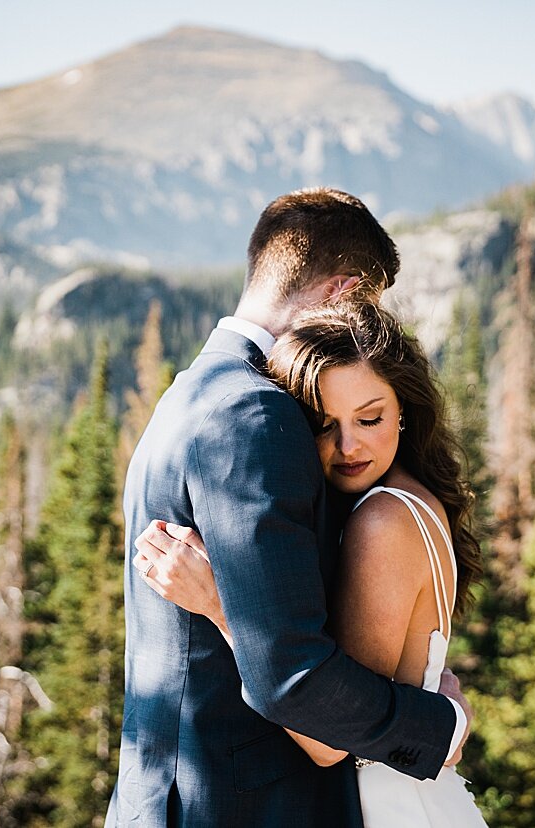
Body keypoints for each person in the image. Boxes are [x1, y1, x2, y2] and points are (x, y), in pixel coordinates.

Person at [110, 188, 470, 827]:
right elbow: (290, 675)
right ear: (344, 292)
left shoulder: (186, 395)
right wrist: (440, 722)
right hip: (239, 806)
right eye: (368, 304)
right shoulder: (256, 414)